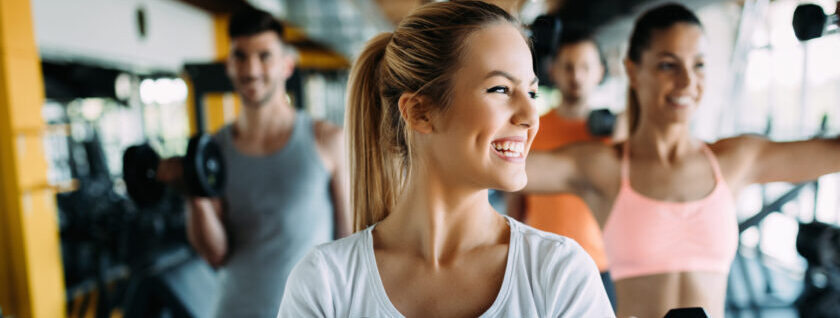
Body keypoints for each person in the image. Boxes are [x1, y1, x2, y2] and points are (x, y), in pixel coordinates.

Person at [523, 1, 840, 317]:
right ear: (633, 70)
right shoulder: (601, 167)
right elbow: (488, 164)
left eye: (698, 65)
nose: (687, 82)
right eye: (668, 65)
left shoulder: (736, 160)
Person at [277, 1, 614, 317]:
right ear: (420, 113)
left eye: (532, 92)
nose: (530, 116)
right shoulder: (324, 283)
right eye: (500, 89)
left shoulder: (559, 273)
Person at [184, 8, 351, 318]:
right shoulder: (213, 151)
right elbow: (215, 255)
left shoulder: (327, 140)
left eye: (264, 56)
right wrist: (196, 192)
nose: (251, 69)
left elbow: (349, 244)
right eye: (240, 56)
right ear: (229, 66)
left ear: (287, 65)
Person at [506, 31, 618, 309]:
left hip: (601, 267)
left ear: (599, 72)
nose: (576, 76)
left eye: (585, 67)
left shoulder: (615, 135)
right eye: (568, 66)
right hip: (541, 265)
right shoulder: (530, 128)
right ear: (552, 70)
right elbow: (516, 200)